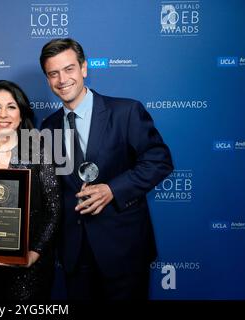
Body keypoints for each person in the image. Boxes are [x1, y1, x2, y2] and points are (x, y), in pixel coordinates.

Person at [40, 38, 174, 300]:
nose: (62, 79)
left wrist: (113, 189)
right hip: (75, 254)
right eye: (53, 73)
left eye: (69, 69)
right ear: (47, 79)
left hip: (123, 249)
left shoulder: (125, 111)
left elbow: (159, 160)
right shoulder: (48, 126)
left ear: (84, 69)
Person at [0, 80, 61, 300]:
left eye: (11, 107)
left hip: (29, 265)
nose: (3, 114)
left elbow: (53, 210)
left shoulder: (39, 151)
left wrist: (33, 254)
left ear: (21, 113)